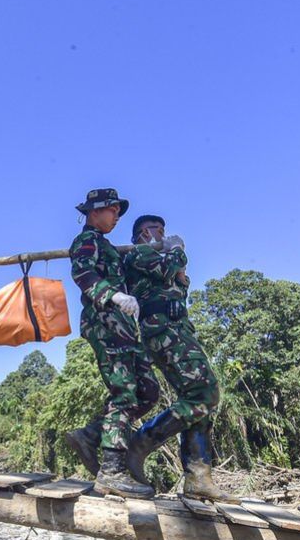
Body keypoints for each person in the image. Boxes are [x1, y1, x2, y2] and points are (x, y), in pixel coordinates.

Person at [124, 214, 233, 502]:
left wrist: (178, 266)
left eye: (162, 229)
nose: (160, 233)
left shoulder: (162, 255)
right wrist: (176, 252)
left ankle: (198, 478)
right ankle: (139, 444)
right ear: (139, 236)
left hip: (179, 329)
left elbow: (179, 285)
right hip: (161, 330)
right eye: (153, 230)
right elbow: (166, 269)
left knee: (199, 399)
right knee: (204, 393)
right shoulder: (138, 254)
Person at [68, 188, 161, 498]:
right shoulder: (87, 241)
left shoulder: (108, 245)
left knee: (148, 392)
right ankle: (111, 470)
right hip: (104, 322)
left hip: (124, 328)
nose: (117, 216)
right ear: (95, 211)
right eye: (113, 210)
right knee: (124, 392)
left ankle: (91, 434)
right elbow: (83, 274)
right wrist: (114, 296)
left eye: (119, 211)